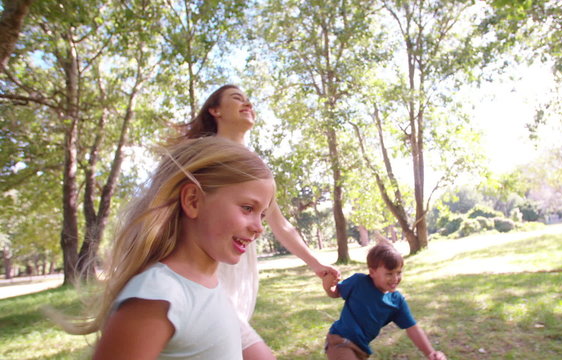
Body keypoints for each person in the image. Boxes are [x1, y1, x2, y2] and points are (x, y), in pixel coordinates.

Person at [51, 137, 276, 359]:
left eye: (262, 215)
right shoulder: (159, 294)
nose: (259, 228)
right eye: (247, 208)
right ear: (193, 200)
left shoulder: (208, 285)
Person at [177, 84, 340, 359]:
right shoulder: (199, 153)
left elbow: (279, 223)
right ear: (215, 110)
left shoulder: (257, 166)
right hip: (202, 274)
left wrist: (317, 266)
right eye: (237, 98)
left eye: (250, 100)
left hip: (240, 275)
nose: (248, 104)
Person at [322, 242, 447, 360]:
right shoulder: (359, 282)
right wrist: (328, 287)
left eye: (398, 273)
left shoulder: (396, 302)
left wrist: (431, 352)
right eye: (389, 273)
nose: (395, 278)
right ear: (372, 272)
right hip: (339, 341)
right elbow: (336, 292)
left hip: (361, 349)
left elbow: (412, 328)